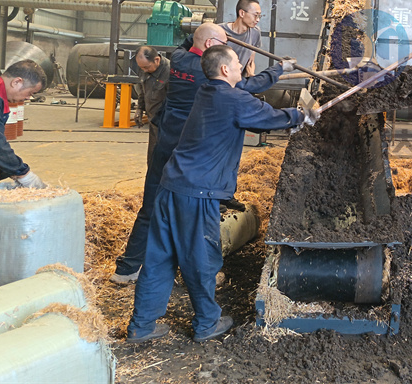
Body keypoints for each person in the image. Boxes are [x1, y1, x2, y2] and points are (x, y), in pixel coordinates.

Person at [126, 45, 316, 343]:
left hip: (170, 187)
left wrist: (279, 70)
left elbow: (248, 89)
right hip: (197, 194)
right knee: (201, 258)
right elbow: (270, 117)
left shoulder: (207, 90)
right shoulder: (233, 99)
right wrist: (302, 115)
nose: (242, 66)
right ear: (226, 69)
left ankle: (141, 325)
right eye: (238, 62)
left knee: (159, 258)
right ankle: (206, 323)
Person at [112, 23, 293, 284]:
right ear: (209, 45)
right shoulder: (207, 74)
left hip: (165, 143)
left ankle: (127, 268)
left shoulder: (178, 58)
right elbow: (247, 85)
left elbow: (190, 41)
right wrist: (279, 69)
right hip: (190, 153)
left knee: (151, 207)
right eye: (223, 44)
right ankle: (199, 274)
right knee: (197, 213)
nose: (227, 48)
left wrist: (213, 33)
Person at [0, 60, 47, 187]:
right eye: (31, 93)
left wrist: (12, 172)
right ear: (16, 82)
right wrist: (24, 174)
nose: (29, 98)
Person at [134, 46, 170, 166]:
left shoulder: (170, 72)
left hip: (166, 124)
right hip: (154, 122)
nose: (144, 70)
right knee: (153, 159)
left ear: (157, 60)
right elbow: (143, 89)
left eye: (146, 67)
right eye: (141, 67)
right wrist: (140, 108)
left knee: (164, 159)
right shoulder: (144, 67)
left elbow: (175, 101)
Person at [220, 0, 262, 77]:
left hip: (238, 80)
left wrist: (250, 75)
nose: (257, 20)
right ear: (242, 13)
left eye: (259, 16)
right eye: (255, 15)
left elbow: (250, 61)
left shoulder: (255, 32)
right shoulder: (219, 31)